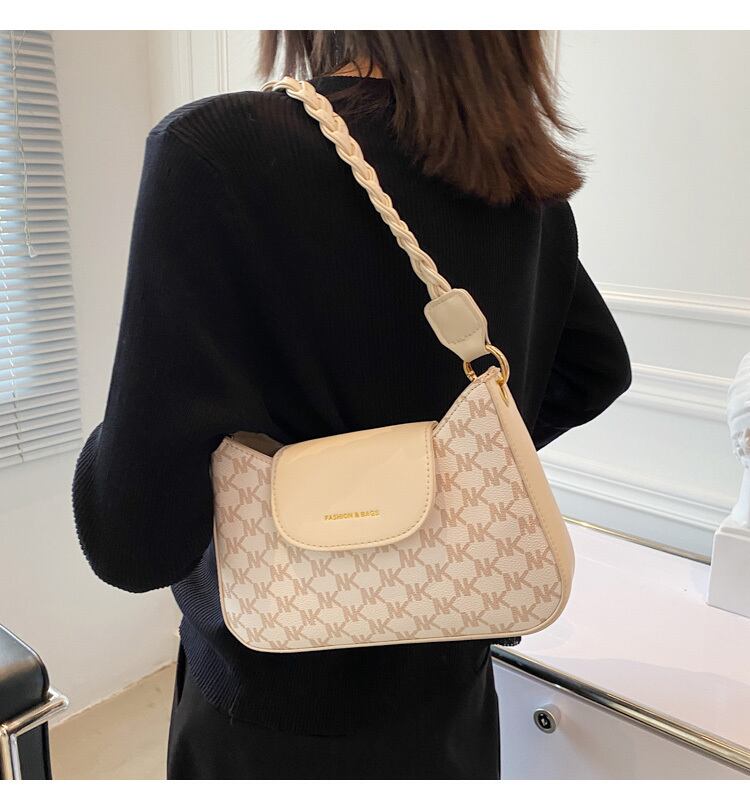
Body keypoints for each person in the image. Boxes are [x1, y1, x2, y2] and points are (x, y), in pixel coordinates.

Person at [71, 31, 632, 779]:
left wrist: (143, 413)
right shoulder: (519, 184)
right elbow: (595, 370)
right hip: (452, 690)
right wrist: (454, 468)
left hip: (268, 711)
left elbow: (134, 541)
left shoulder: (215, 150)